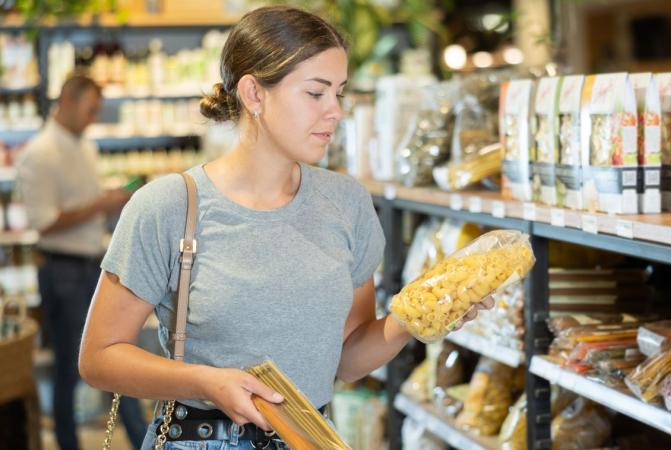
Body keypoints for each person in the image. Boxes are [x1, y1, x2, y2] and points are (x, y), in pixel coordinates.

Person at [78, 6, 493, 450]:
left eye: (339, 93)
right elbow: (99, 357)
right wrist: (205, 382)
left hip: (312, 439)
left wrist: (413, 320)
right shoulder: (167, 206)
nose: (334, 112)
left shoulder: (346, 204)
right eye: (316, 93)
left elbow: (347, 360)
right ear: (254, 94)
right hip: (200, 438)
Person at [16, 74, 147, 450]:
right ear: (68, 101)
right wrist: (101, 204)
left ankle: (140, 439)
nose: (94, 118)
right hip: (62, 270)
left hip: (93, 265)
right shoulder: (39, 153)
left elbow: (85, 206)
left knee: (121, 356)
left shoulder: (83, 146)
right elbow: (44, 222)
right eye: (91, 109)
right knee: (70, 367)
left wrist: (111, 200)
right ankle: (69, 444)